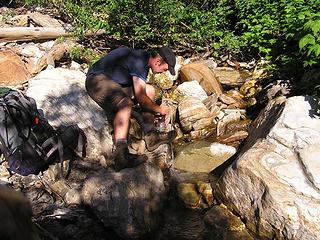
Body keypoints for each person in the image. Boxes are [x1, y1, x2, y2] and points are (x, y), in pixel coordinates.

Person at [85, 46, 177, 171]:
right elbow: (141, 98)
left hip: (115, 83)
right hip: (97, 81)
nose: (163, 72)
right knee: (125, 103)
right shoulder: (139, 61)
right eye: (164, 69)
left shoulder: (142, 58)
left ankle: (151, 136)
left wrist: (154, 108)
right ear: (158, 61)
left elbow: (143, 93)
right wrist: (159, 110)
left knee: (150, 90)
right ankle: (121, 155)